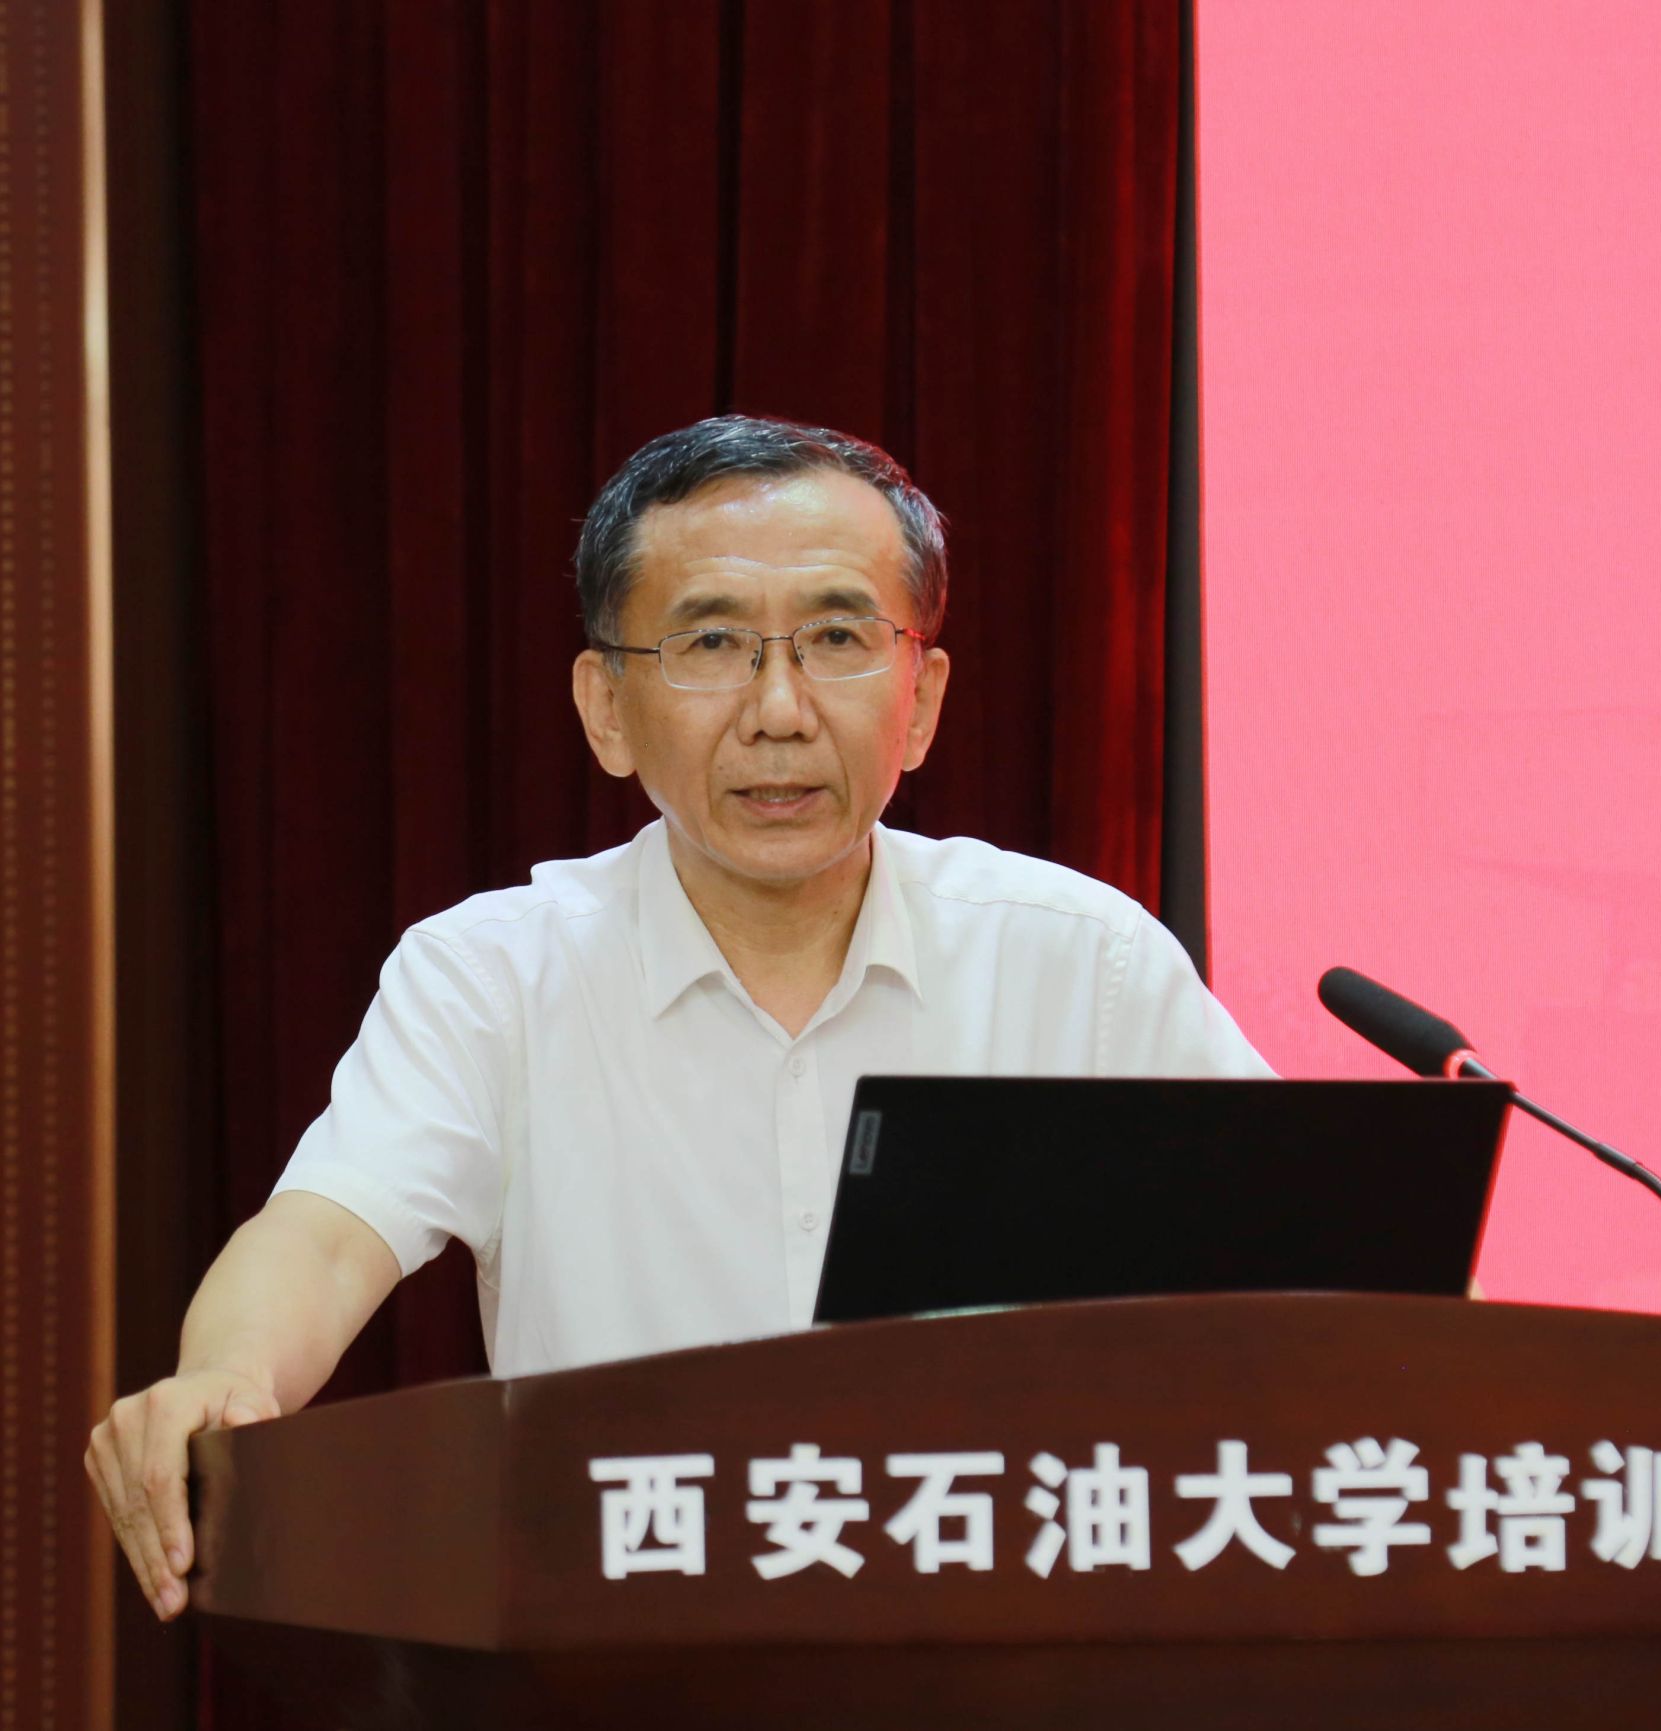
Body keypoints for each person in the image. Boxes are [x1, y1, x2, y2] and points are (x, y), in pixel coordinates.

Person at [84, 415, 1270, 1622]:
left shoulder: (1078, 962)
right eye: (710, 643)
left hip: (1001, 1649)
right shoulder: (494, 976)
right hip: (620, 1645)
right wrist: (223, 1378)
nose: (779, 710)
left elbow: (1293, 1275)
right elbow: (329, 1233)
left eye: (837, 639)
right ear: (605, 706)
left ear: (919, 700)